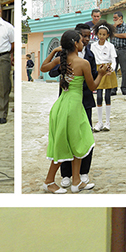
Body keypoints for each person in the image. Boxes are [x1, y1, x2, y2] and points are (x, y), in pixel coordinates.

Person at [40, 30, 100, 193]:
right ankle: (49, 181)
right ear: (75, 44)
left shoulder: (62, 59)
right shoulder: (83, 63)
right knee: (69, 143)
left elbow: (43, 67)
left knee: (77, 141)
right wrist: (101, 74)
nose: (84, 42)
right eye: (81, 40)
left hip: (62, 104)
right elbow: (93, 86)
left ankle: (76, 181)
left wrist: (53, 52)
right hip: (73, 107)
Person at [90, 23, 117, 131]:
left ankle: (107, 122)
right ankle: (99, 121)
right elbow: (92, 60)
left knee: (107, 97)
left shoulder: (110, 46)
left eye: (104, 34)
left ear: (107, 35)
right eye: (100, 34)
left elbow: (114, 60)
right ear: (97, 34)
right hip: (98, 71)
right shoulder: (93, 46)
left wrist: (112, 69)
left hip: (107, 70)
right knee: (99, 96)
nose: (101, 36)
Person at [113, 12, 126, 95]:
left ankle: (124, 88)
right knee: (113, 70)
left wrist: (114, 34)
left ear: (120, 18)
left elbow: (125, 35)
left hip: (123, 50)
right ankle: (113, 89)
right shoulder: (112, 26)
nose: (114, 19)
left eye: (115, 18)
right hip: (113, 50)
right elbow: (108, 33)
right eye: (113, 18)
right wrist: (114, 26)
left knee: (124, 70)